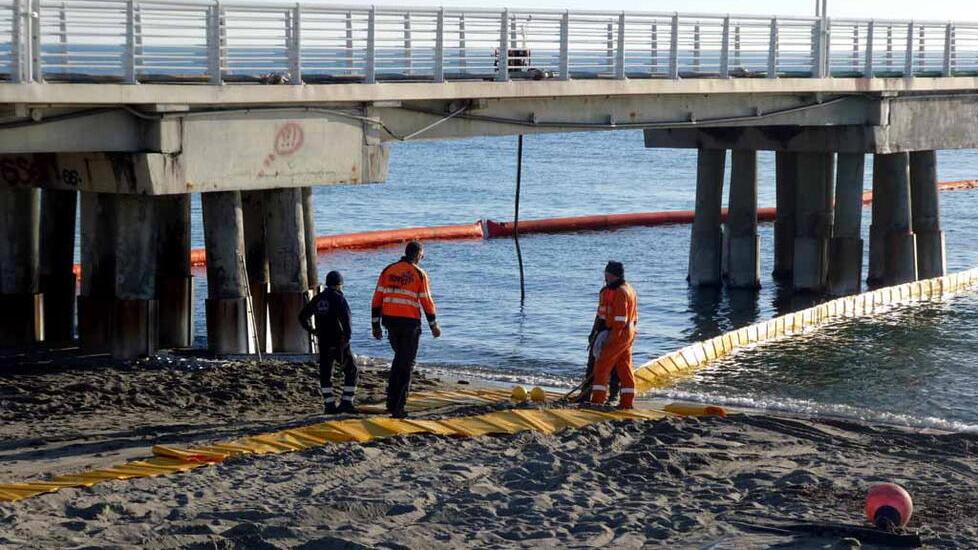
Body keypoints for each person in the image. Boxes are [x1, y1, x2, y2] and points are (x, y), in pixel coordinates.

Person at [372, 241, 441, 418]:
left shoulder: (388, 270)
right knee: (406, 365)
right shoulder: (419, 274)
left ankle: (391, 401)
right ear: (417, 255)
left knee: (399, 361)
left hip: (390, 323)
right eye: (422, 255)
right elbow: (427, 301)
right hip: (409, 324)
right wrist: (434, 326)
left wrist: (375, 325)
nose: (422, 258)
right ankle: (398, 407)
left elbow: (377, 298)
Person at [299, 270, 358, 414]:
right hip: (339, 341)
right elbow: (347, 320)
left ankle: (329, 404)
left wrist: (312, 330)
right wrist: (347, 338)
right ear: (339, 285)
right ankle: (346, 402)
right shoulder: (339, 298)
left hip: (323, 341)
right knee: (351, 370)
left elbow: (302, 317)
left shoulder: (318, 298)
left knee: (325, 373)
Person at [588, 261, 638, 409]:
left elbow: (619, 320)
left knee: (602, 365)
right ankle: (627, 402)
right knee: (624, 367)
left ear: (612, 275)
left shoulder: (621, 292)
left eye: (607, 274)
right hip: (628, 333)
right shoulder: (629, 289)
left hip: (619, 333)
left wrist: (610, 339)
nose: (605, 278)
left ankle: (597, 400)